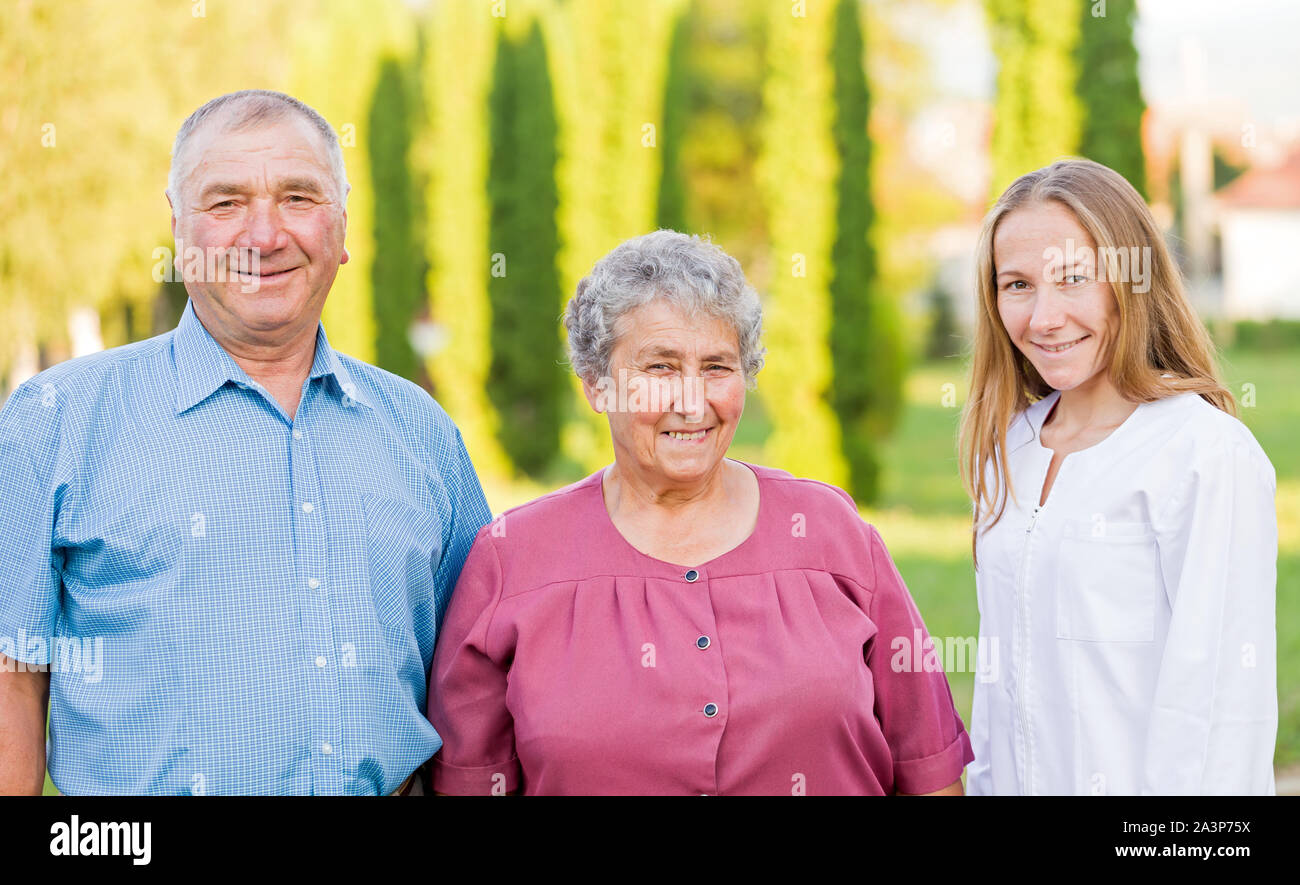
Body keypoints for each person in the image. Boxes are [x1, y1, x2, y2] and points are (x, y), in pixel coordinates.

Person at [0, 90, 492, 795]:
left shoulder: (421, 432)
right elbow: (10, 684)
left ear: (343, 228)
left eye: (299, 197)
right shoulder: (57, 420)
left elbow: (474, 675)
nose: (264, 235)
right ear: (178, 228)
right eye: (226, 202)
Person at [427, 229, 973, 795]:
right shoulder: (513, 558)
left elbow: (930, 771)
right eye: (660, 368)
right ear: (596, 384)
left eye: (716, 366)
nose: (692, 402)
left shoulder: (829, 532)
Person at [960, 158, 1278, 795]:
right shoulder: (1010, 449)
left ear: (1131, 282)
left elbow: (1220, 710)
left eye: (1072, 278)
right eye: (1017, 285)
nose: (1043, 317)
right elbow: (1000, 690)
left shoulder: (1203, 453)